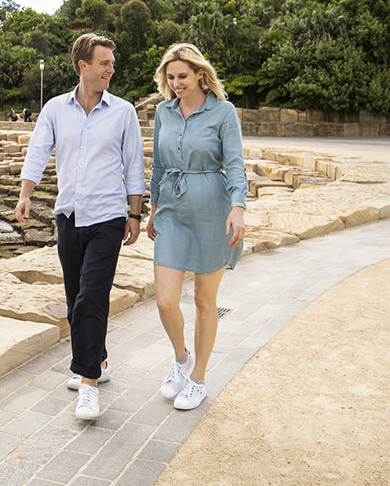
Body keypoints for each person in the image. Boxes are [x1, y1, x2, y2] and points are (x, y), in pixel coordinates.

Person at [15, 33, 145, 420]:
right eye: (104, 63)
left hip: (107, 217)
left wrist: (134, 214)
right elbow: (38, 151)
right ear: (82, 66)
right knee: (75, 298)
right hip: (68, 215)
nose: (112, 69)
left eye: (112, 63)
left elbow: (134, 166)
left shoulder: (123, 112)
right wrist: (26, 194)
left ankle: (87, 383)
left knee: (92, 295)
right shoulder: (56, 109)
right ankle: (99, 360)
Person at [146, 43, 247, 411]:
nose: (176, 84)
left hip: (212, 208)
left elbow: (235, 164)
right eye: (170, 77)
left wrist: (238, 207)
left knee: (205, 300)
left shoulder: (223, 112)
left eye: (183, 76)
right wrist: (153, 208)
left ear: (200, 74)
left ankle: (198, 377)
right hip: (171, 208)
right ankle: (180, 357)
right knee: (165, 300)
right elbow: (158, 164)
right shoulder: (163, 112)